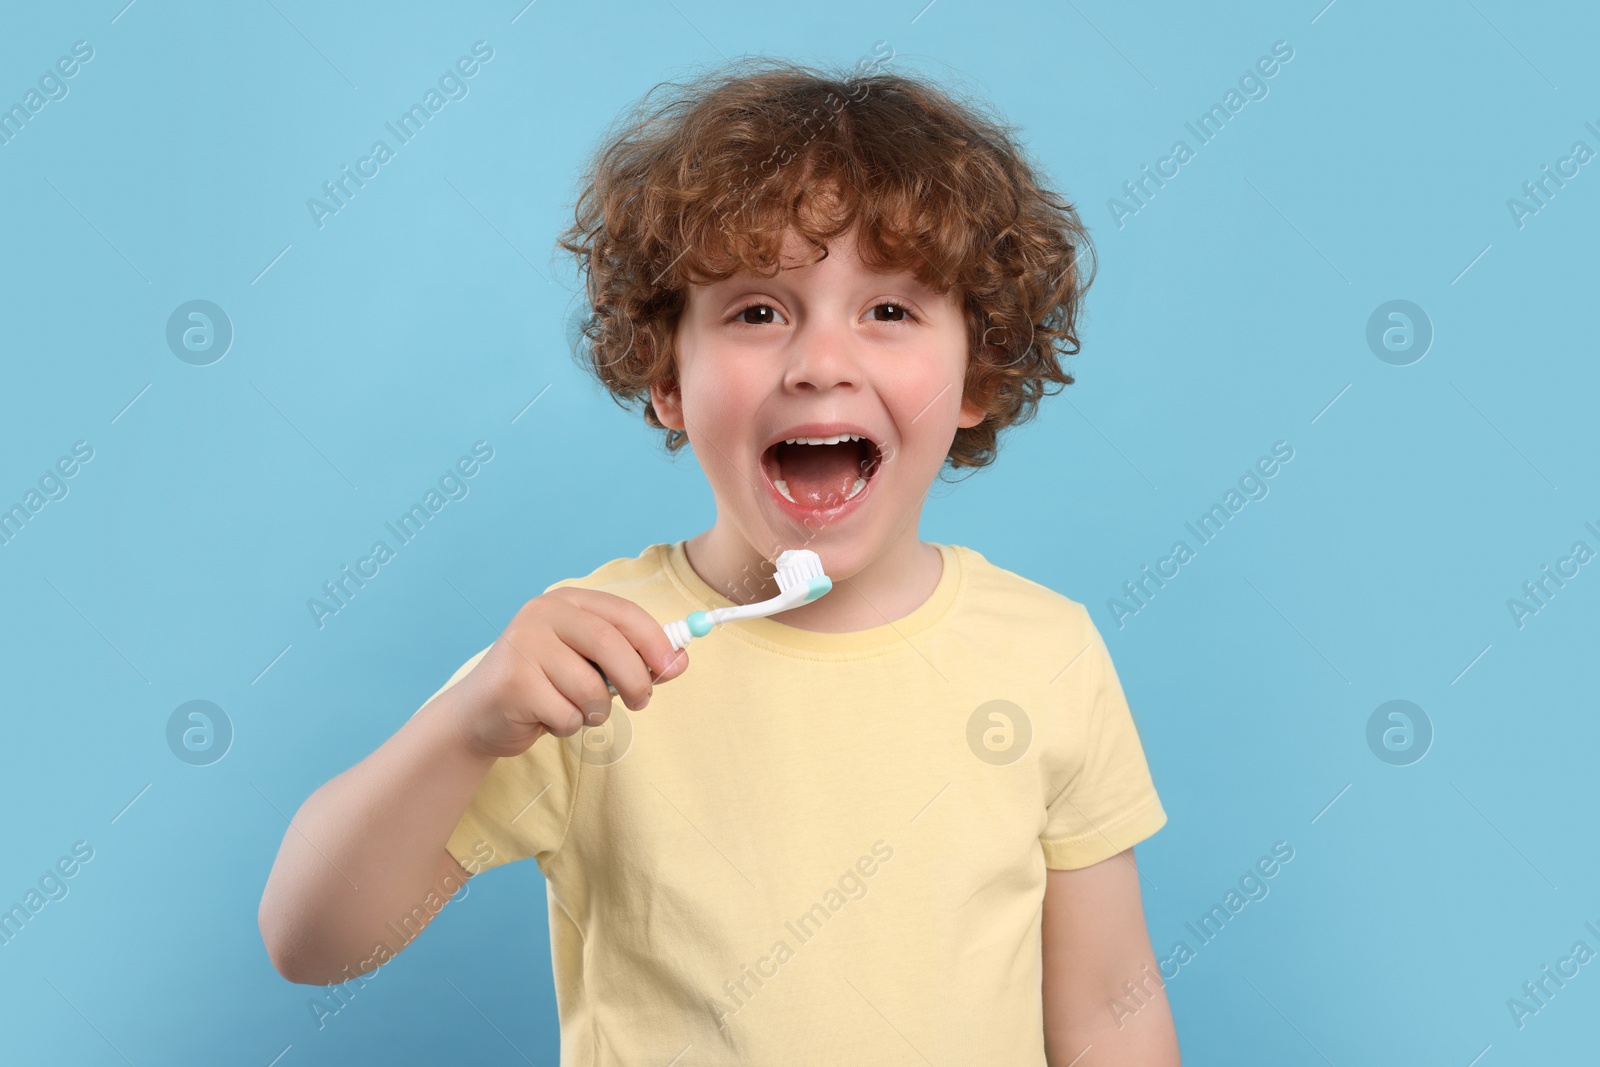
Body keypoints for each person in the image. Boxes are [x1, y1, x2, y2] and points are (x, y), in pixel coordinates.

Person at [259, 56, 1180, 1066]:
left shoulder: (1046, 650)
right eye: (756, 311)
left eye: (889, 310)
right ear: (667, 379)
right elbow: (312, 944)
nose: (821, 360)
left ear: (978, 372)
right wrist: (468, 722)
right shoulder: (586, 657)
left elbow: (1107, 1012)